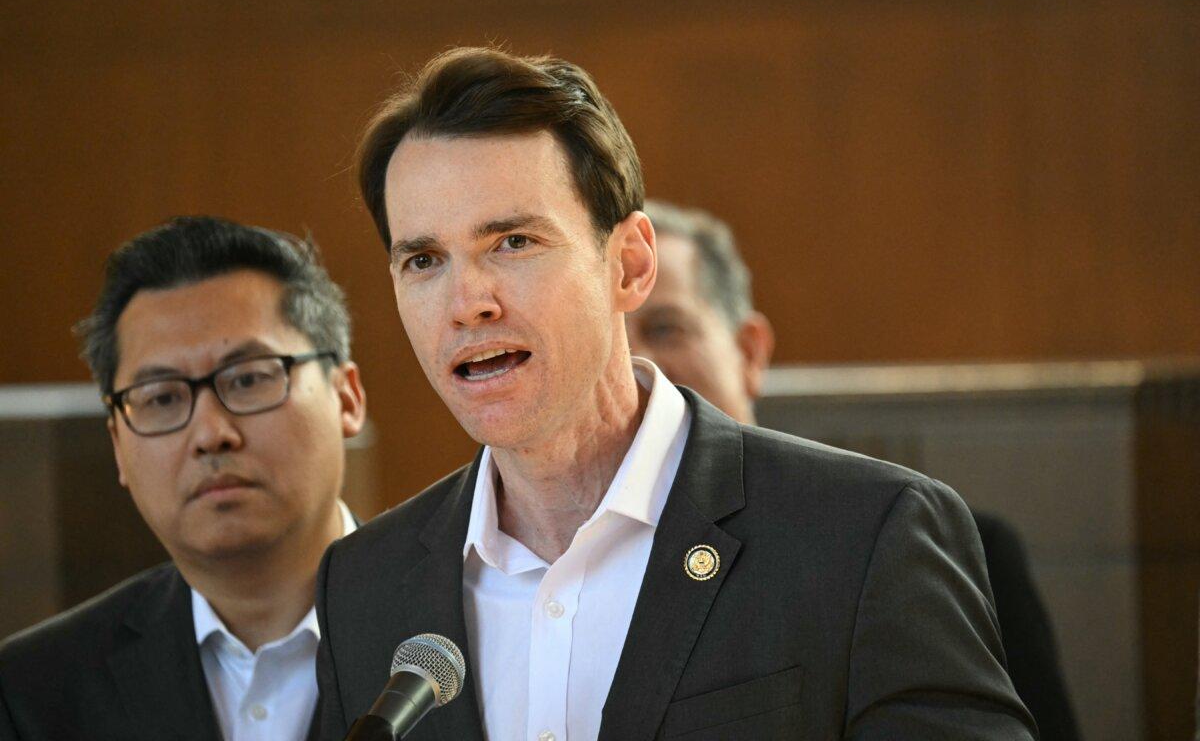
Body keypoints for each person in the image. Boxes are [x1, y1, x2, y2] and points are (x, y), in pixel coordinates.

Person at [315, 46, 1037, 740]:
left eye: (514, 243)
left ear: (629, 264)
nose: (467, 301)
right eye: (423, 260)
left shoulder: (865, 538)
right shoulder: (363, 588)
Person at [627, 198, 1081, 741]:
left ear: (750, 352)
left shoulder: (912, 545)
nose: (637, 367)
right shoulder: (546, 560)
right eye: (613, 337)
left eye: (666, 329)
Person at [0, 217, 367, 741]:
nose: (211, 434)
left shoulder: (458, 628)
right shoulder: (35, 691)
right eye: (162, 398)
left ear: (347, 397)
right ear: (118, 448)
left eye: (248, 378)